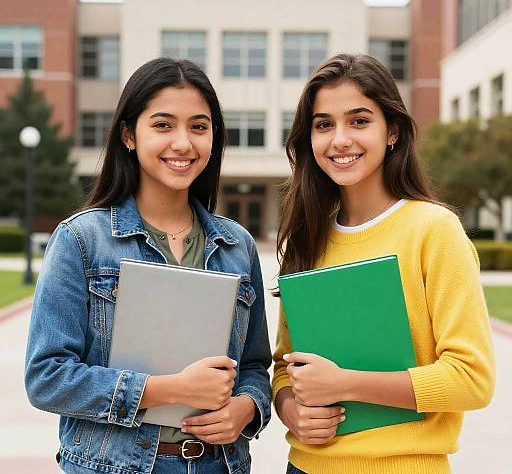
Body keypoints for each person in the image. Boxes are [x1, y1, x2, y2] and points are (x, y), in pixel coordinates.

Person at [25, 58, 272, 474]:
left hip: (220, 465)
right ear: (128, 135)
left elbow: (253, 367)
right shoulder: (82, 240)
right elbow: (47, 378)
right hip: (114, 466)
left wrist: (246, 409)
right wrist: (166, 389)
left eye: (198, 126)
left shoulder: (237, 246)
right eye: (162, 125)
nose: (183, 143)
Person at [272, 53, 495, 474]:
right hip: (304, 466)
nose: (340, 140)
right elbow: (287, 366)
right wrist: (290, 409)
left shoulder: (433, 229)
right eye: (324, 125)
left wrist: (345, 384)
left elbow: (471, 379)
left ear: (391, 132)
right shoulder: (308, 235)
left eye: (359, 121)